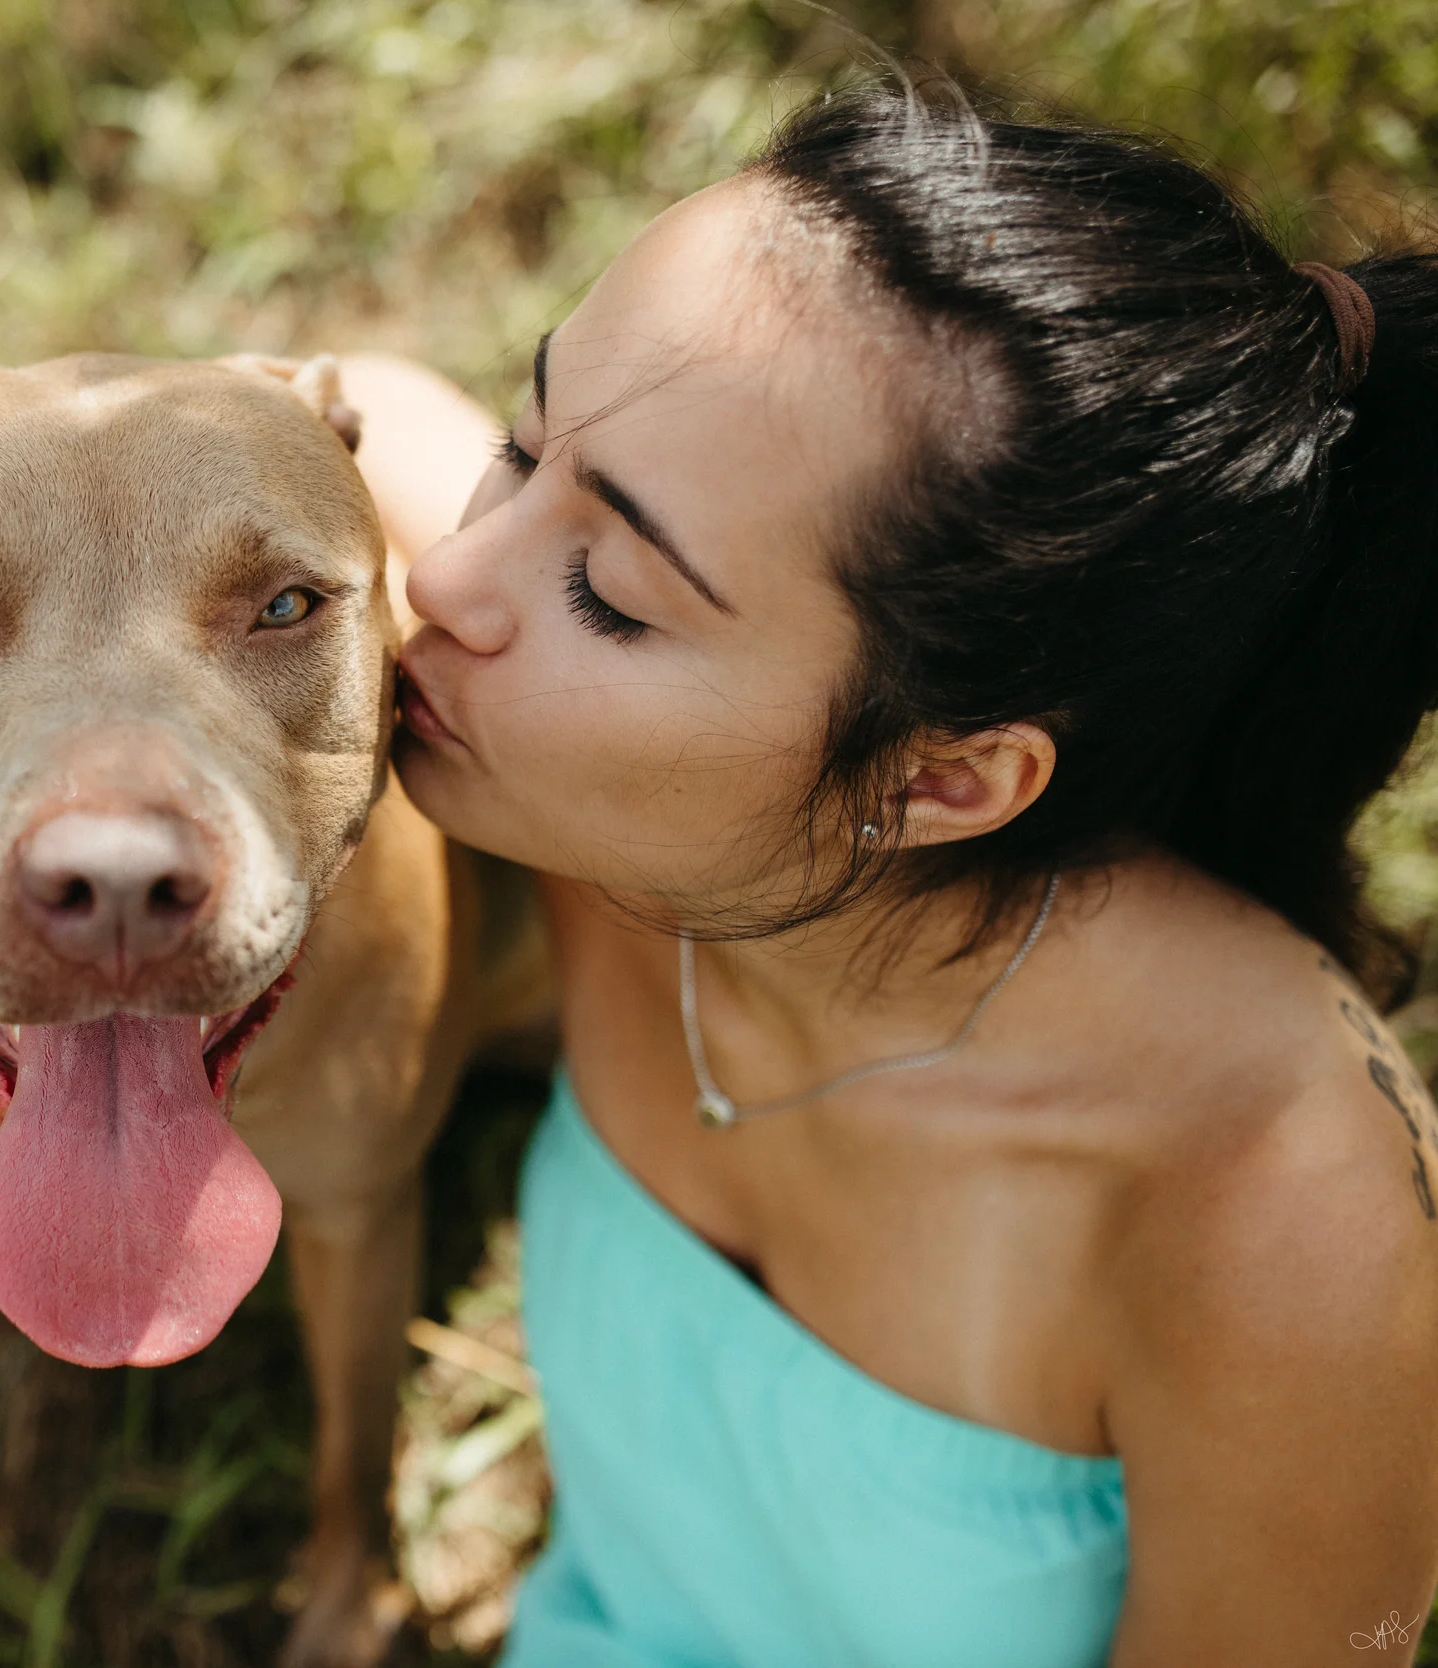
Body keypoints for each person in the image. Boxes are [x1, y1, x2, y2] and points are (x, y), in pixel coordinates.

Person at [339, 81, 1438, 1667]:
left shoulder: (1287, 1223)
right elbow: (347, 410)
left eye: (613, 592)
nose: (446, 576)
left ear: (938, 781)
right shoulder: (602, 793)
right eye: (524, 444)